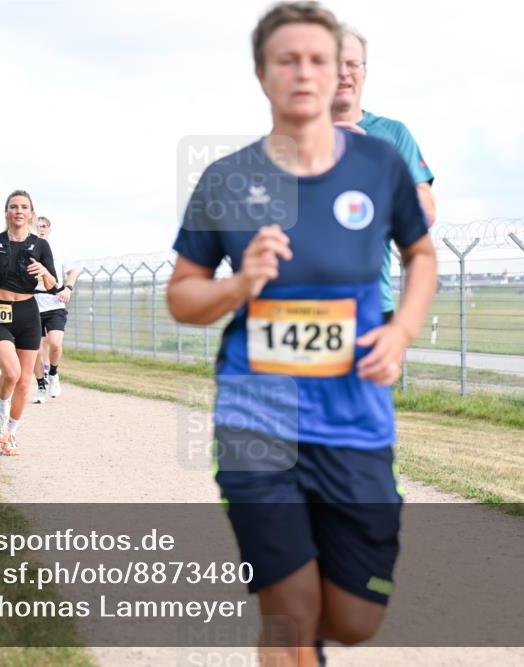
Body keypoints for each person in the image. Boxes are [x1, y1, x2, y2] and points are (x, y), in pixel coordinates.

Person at [167, 4, 437, 664]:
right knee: (289, 612)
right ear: (262, 73)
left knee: (355, 619)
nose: (305, 73)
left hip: (354, 422)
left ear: (340, 69)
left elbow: (422, 254)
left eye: (319, 59)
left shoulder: (380, 165)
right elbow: (182, 295)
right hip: (257, 418)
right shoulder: (227, 179)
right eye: (287, 60)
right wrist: (239, 284)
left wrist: (401, 331)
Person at [331, 24, 437, 322]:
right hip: (303, 306)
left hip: (372, 306)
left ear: (364, 72)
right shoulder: (292, 139)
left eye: (352, 64)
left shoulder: (393, 134)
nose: (343, 72)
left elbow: (426, 214)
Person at [0, 190, 56, 455]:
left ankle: (11, 434)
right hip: (0, 311)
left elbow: (52, 285)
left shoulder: (40, 245)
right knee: (11, 372)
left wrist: (44, 272)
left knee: (24, 382)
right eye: (14, 206)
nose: (19, 211)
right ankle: (2, 413)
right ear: (7, 211)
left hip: (28, 313)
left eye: (24, 207)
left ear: (31, 213)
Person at [32, 215, 78, 401]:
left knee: (55, 343)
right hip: (33, 304)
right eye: (37, 226)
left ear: (49, 229)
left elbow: (72, 271)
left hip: (55, 303)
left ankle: (53, 373)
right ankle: (40, 385)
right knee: (34, 350)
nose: (41, 229)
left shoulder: (58, 248)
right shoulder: (27, 249)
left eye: (44, 226)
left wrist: (68, 288)